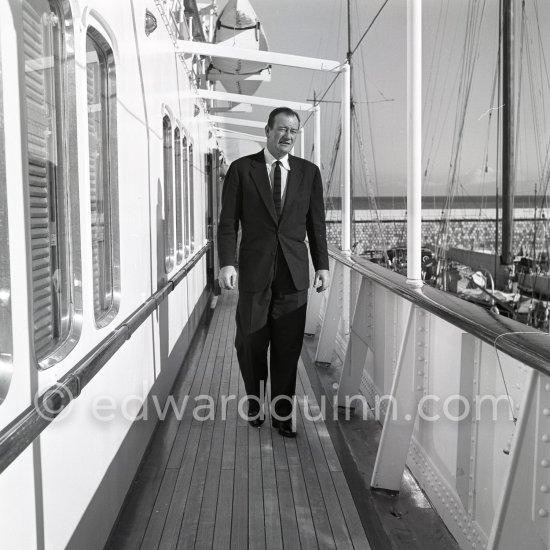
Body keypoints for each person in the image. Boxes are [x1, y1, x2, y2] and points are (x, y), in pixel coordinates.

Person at [217, 107, 330, 437]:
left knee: (287, 347)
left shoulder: (309, 173)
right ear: (267, 131)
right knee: (250, 342)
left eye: (293, 132)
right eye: (281, 129)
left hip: (293, 274)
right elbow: (228, 224)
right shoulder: (242, 169)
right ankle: (254, 401)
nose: (287, 136)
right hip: (254, 272)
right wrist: (227, 263)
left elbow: (316, 224)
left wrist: (322, 265)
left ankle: (282, 414)